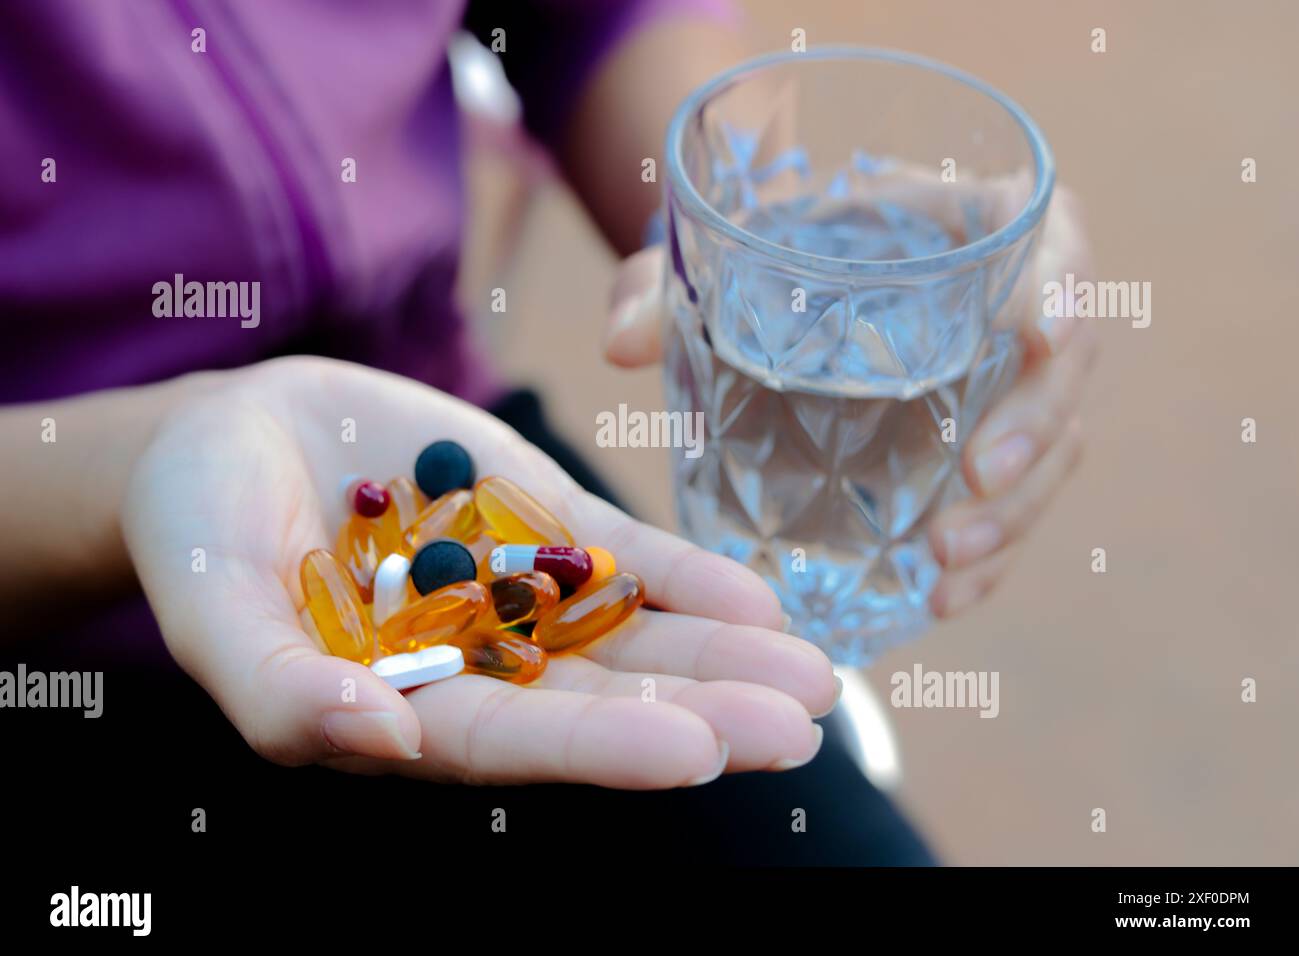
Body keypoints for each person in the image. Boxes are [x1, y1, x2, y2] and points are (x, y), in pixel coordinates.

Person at [0, 1, 1092, 864]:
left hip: (419, 428)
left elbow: (594, 12)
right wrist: (141, 460)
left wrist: (755, 245)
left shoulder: (468, 545)